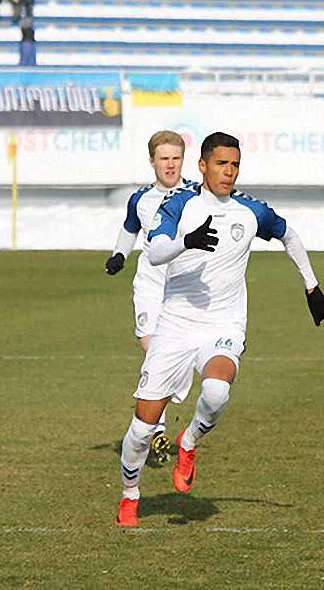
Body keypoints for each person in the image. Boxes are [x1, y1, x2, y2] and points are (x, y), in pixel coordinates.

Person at [114, 132, 324, 527]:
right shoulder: (178, 204)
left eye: (234, 165)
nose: (228, 172)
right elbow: (156, 251)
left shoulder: (250, 211)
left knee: (215, 392)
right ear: (202, 165)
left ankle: (189, 442)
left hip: (224, 322)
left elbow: (288, 234)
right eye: (221, 164)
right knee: (142, 429)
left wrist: (311, 286)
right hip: (175, 324)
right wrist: (186, 242)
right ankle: (130, 494)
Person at [105, 131, 197, 466]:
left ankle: (156, 415)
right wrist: (119, 255)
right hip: (149, 281)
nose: (170, 165)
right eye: (164, 158)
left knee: (174, 355)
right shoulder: (140, 199)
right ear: (152, 161)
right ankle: (155, 428)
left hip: (184, 283)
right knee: (151, 345)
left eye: (176, 158)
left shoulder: (197, 195)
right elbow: (130, 228)